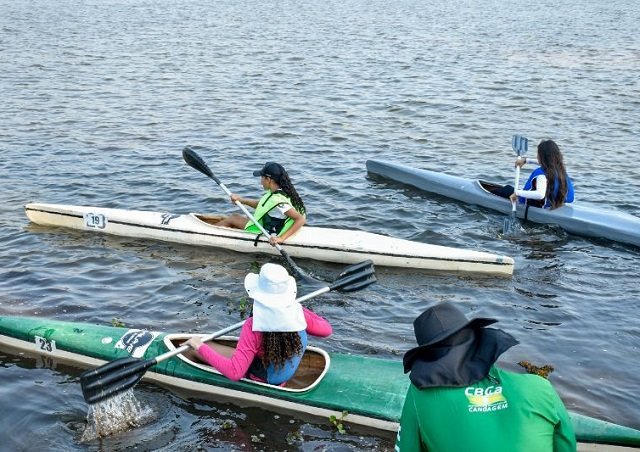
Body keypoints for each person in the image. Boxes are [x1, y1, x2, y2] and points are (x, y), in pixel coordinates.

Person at [395, 302, 576, 452]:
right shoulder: (540, 387)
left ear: (426, 359)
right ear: (481, 341)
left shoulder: (419, 395)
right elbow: (567, 445)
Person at [184, 263, 332, 385]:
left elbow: (235, 373)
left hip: (265, 377)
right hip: (282, 371)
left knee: (191, 349)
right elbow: (326, 330)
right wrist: (296, 307)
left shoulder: (252, 326)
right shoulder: (298, 313)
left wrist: (199, 346)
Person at [216, 161, 306, 245]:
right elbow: (263, 205)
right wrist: (241, 200)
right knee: (238, 217)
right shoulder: (283, 191)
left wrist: (281, 239)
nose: (261, 182)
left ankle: (211, 234)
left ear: (268, 179)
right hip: (271, 225)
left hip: (270, 232)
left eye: (262, 178)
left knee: (233, 218)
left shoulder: (278, 201)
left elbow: (300, 219)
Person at [500, 139, 575, 209]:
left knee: (506, 189)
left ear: (541, 157)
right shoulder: (560, 169)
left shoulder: (541, 174)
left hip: (534, 205)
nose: (537, 156)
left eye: (538, 154)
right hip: (553, 204)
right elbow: (546, 163)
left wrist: (517, 193)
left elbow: (540, 194)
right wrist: (526, 160)